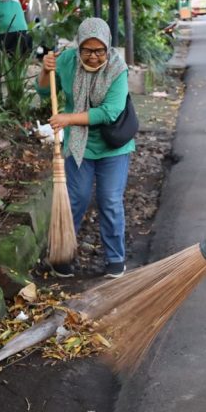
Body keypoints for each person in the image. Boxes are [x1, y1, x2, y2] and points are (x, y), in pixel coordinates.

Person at [37, 18, 134, 279]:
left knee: (110, 201)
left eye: (99, 50)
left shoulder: (117, 68)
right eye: (87, 50)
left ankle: (115, 258)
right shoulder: (67, 60)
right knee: (76, 199)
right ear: (78, 46)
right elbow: (45, 92)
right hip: (78, 145)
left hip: (113, 147)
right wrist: (46, 71)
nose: (93, 57)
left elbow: (110, 112)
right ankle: (64, 255)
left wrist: (68, 119)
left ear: (108, 47)